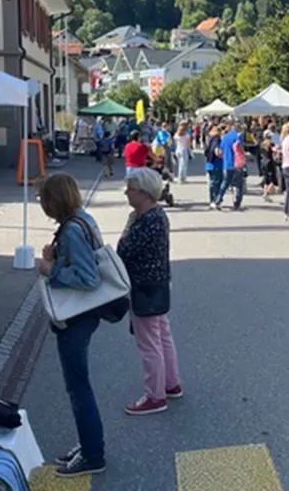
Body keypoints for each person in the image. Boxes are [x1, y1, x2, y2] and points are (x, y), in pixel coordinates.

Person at [37, 173, 106, 478]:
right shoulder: (83, 218)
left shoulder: (73, 230)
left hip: (77, 316)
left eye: (43, 199)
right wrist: (56, 257)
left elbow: (88, 279)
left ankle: (93, 454)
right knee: (78, 386)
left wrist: (51, 270)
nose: (41, 204)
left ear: (54, 200)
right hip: (85, 316)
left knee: (79, 388)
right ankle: (89, 444)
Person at [117, 169, 182, 415]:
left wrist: (128, 226)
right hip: (158, 284)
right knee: (162, 335)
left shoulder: (146, 221)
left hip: (144, 287)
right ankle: (170, 383)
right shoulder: (157, 215)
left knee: (149, 343)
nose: (126, 193)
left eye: (131, 189)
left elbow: (125, 249)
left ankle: (155, 395)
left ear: (143, 193)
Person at [215, 120, 244, 210]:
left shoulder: (225, 137)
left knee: (225, 183)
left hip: (227, 164)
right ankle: (237, 203)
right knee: (238, 184)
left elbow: (219, 152)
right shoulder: (238, 137)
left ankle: (218, 200)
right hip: (237, 164)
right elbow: (241, 148)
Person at [204, 124, 224, 208]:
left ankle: (213, 200)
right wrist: (223, 156)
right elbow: (217, 151)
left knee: (213, 183)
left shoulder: (210, 140)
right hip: (216, 164)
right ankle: (215, 200)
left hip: (210, 164)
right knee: (216, 183)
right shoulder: (217, 140)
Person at [260, 133, 277, 201]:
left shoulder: (262, 144)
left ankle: (265, 192)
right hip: (269, 162)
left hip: (263, 162)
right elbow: (274, 150)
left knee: (266, 179)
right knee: (273, 180)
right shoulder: (270, 144)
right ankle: (266, 193)